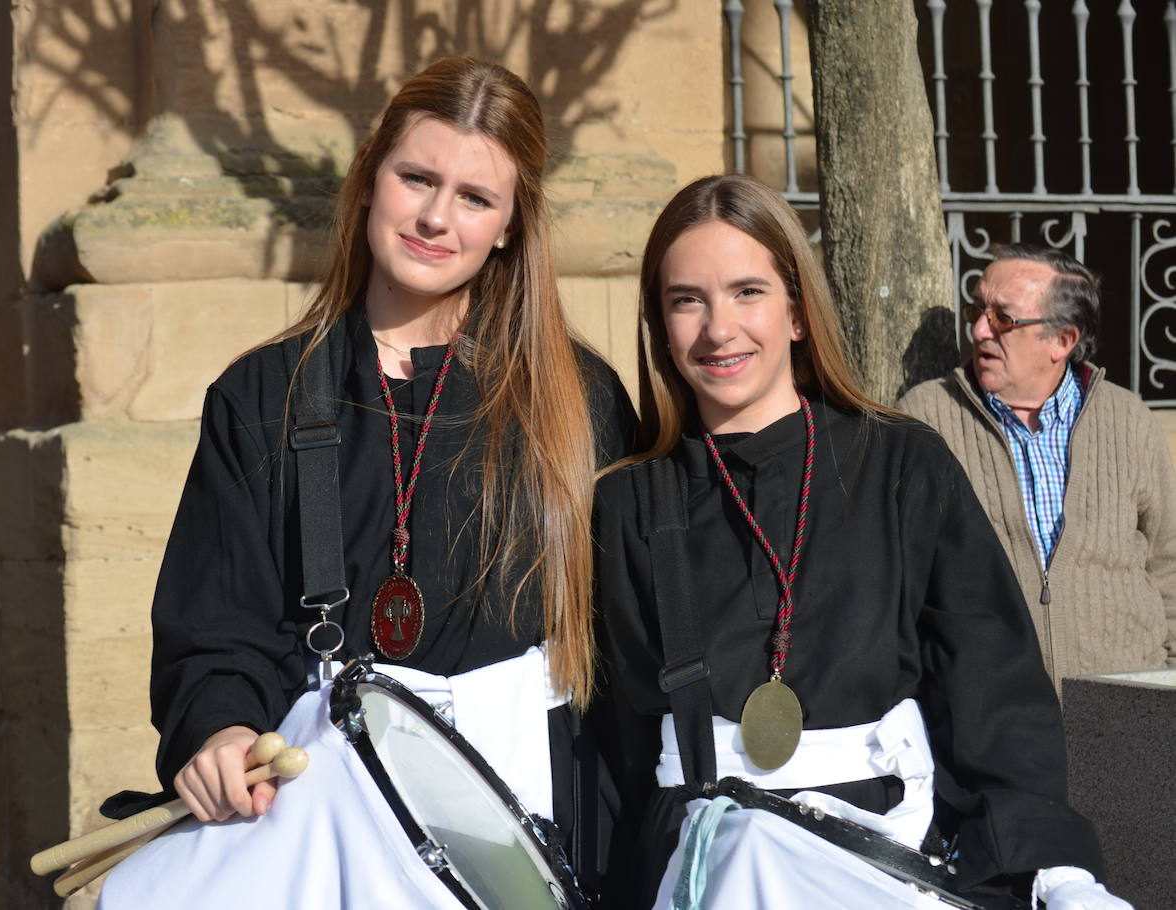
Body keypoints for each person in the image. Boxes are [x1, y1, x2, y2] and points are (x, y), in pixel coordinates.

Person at [96, 57, 635, 908]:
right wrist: (220, 730)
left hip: (521, 836)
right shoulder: (260, 398)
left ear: (510, 226)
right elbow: (215, 629)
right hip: (317, 824)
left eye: (474, 197)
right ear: (369, 177)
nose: (433, 217)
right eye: (416, 177)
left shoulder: (583, 403)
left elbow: (628, 661)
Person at [593, 175, 1127, 909]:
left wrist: (1054, 870)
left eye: (748, 292)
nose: (718, 329)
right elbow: (616, 741)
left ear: (798, 313)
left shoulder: (903, 464)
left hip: (886, 860)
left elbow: (992, 686)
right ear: (660, 323)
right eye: (688, 300)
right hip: (705, 866)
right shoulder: (628, 500)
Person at [899, 245, 1176, 689]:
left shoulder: (1129, 419)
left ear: (1061, 340)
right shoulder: (927, 417)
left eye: (1003, 319)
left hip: (1125, 700)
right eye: (977, 309)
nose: (978, 329)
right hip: (989, 710)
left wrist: (1164, 680)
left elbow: (1168, 560)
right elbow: (900, 574)